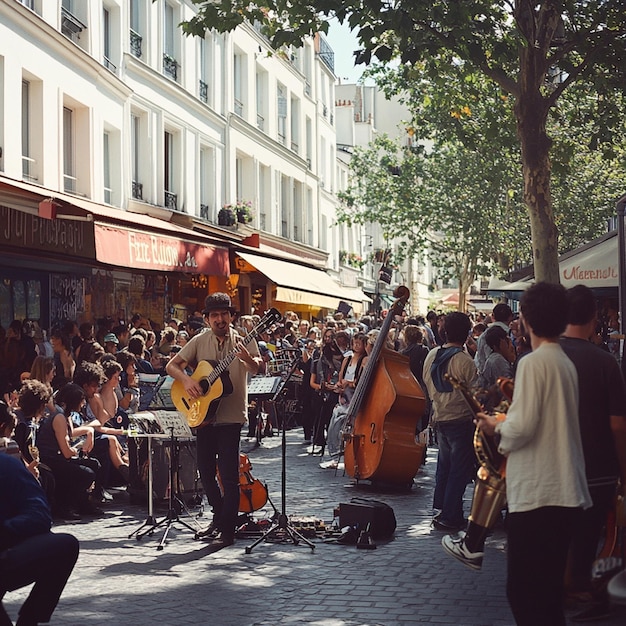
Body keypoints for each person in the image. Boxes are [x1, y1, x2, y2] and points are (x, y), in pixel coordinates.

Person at [473, 282, 591, 626]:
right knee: (548, 595)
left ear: (525, 319)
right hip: (562, 491)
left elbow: (523, 427)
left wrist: (496, 427)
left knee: (525, 593)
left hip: (540, 493)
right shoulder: (562, 362)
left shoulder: (534, 363)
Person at [166, 292, 262, 546]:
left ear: (231, 316)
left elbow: (259, 366)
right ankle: (220, 517)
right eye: (215, 315)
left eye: (224, 314)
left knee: (229, 476)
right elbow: (171, 366)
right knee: (206, 472)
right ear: (208, 319)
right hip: (203, 416)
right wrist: (187, 380)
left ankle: (227, 531)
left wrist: (248, 359)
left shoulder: (244, 340)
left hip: (231, 416)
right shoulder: (199, 341)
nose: (220, 319)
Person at [560, 284, 626, 622]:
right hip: (597, 471)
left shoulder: (539, 358)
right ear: (594, 316)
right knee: (587, 538)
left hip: (551, 470)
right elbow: (618, 427)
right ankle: (580, 590)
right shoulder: (605, 363)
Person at [0, 452, 79, 626]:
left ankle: (29, 621)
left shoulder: (7, 466)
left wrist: (6, 531)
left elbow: (38, 514)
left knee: (65, 545)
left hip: (5, 551)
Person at [422, 312, 477, 532]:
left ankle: (440, 508)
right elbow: (475, 395)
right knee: (459, 470)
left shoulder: (431, 355)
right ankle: (451, 515)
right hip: (461, 420)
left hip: (440, 418)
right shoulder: (465, 360)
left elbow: (426, 384)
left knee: (444, 467)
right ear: (466, 334)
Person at [473, 303, 513, 377]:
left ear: (493, 316)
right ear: (510, 317)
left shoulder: (483, 336)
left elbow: (480, 361)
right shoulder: (511, 334)